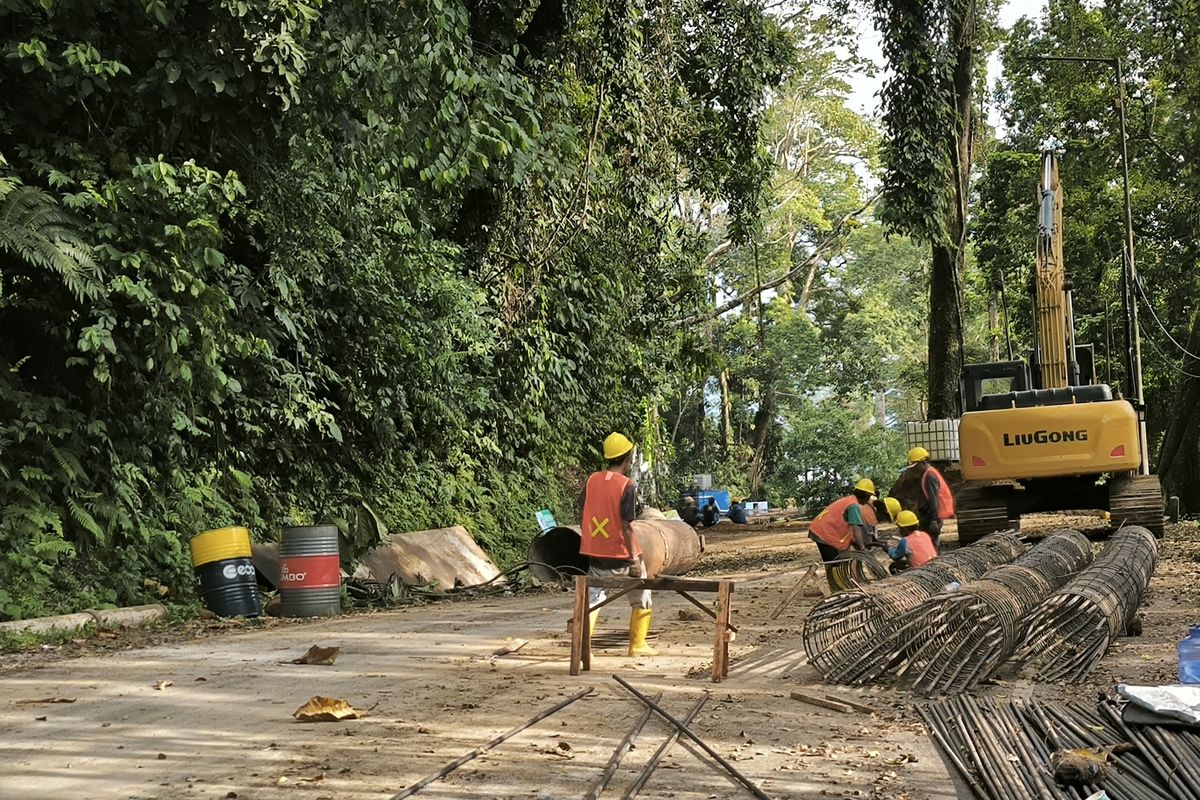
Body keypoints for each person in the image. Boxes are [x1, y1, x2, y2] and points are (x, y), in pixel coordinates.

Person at [580, 432, 656, 657]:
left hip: (594, 553)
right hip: (620, 554)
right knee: (641, 596)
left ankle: (585, 648)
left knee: (593, 599)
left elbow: (585, 511)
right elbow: (626, 526)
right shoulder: (626, 486)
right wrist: (634, 559)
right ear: (628, 458)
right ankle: (637, 645)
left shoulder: (591, 480)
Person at [809, 478, 878, 582]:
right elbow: (856, 529)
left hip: (819, 530)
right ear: (866, 496)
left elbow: (848, 529)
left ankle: (836, 585)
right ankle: (839, 588)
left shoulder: (849, 500)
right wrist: (862, 548)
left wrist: (855, 543)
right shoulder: (854, 505)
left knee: (832, 561)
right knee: (835, 562)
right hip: (824, 533)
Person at [905, 447, 956, 549]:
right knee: (931, 542)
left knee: (929, 542)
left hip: (932, 515)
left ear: (922, 462)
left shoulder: (930, 476)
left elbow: (933, 500)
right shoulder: (928, 473)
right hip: (932, 514)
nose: (915, 469)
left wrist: (933, 520)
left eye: (916, 466)